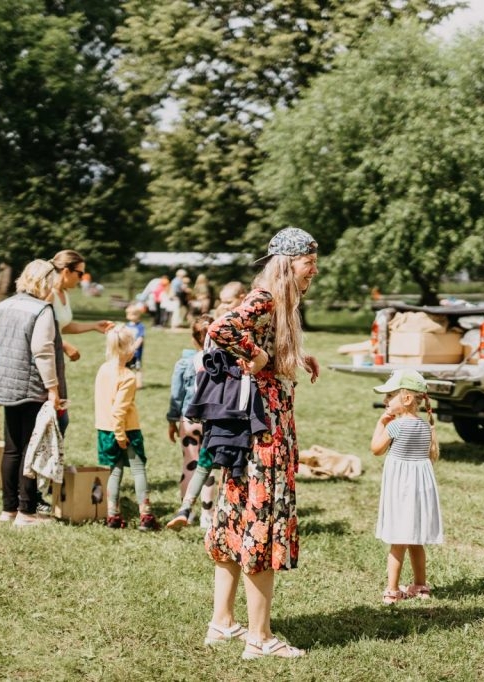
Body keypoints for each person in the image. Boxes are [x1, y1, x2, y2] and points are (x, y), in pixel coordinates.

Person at [204, 226, 319, 660]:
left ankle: (223, 623)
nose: (313, 272)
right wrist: (261, 357)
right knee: (261, 526)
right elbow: (222, 329)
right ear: (289, 264)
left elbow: (253, 337)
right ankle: (259, 637)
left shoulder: (276, 303)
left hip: (256, 431)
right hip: (265, 434)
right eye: (309, 263)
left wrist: (291, 357)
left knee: (236, 519)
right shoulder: (266, 297)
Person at [0, 260, 60, 527]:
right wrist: (53, 388)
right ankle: (27, 512)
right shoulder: (42, 310)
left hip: (3, 383)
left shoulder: (1, 306)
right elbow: (42, 351)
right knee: (31, 448)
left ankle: (8, 509)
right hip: (30, 385)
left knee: (12, 448)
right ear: (46, 281)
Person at [370, 369, 443, 604]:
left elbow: (376, 449)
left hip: (400, 490)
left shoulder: (396, 426)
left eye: (390, 395)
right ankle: (421, 586)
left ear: (407, 398)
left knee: (397, 540)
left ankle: (392, 590)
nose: (385, 401)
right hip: (419, 491)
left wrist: (381, 423)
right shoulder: (425, 427)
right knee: (415, 539)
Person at [95, 326, 159, 531]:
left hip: (104, 430)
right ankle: (146, 516)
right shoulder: (128, 376)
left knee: (115, 472)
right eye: (132, 345)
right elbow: (119, 411)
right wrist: (121, 435)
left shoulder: (103, 369)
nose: (134, 349)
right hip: (125, 430)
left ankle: (112, 516)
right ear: (125, 349)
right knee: (139, 470)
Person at [47, 249, 114, 432]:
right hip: (43, 362)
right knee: (57, 420)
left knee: (60, 419)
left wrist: (93, 326)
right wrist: (64, 345)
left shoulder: (64, 293)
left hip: (55, 361)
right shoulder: (49, 294)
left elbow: (63, 326)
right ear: (66, 271)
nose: (83, 278)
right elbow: (40, 328)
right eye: (80, 273)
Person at [165, 314, 216, 530]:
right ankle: (208, 513)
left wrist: (172, 420)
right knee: (209, 468)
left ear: (193, 338)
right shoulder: (220, 361)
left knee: (190, 464)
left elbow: (176, 396)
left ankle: (187, 511)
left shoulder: (184, 362)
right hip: (213, 421)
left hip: (189, 419)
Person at [124, 303, 146, 389]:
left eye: (134, 314)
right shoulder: (126, 326)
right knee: (127, 368)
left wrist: (135, 347)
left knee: (137, 368)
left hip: (136, 353)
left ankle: (138, 384)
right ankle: (127, 382)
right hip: (127, 351)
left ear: (139, 315)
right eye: (129, 314)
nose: (131, 316)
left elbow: (140, 338)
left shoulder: (140, 326)